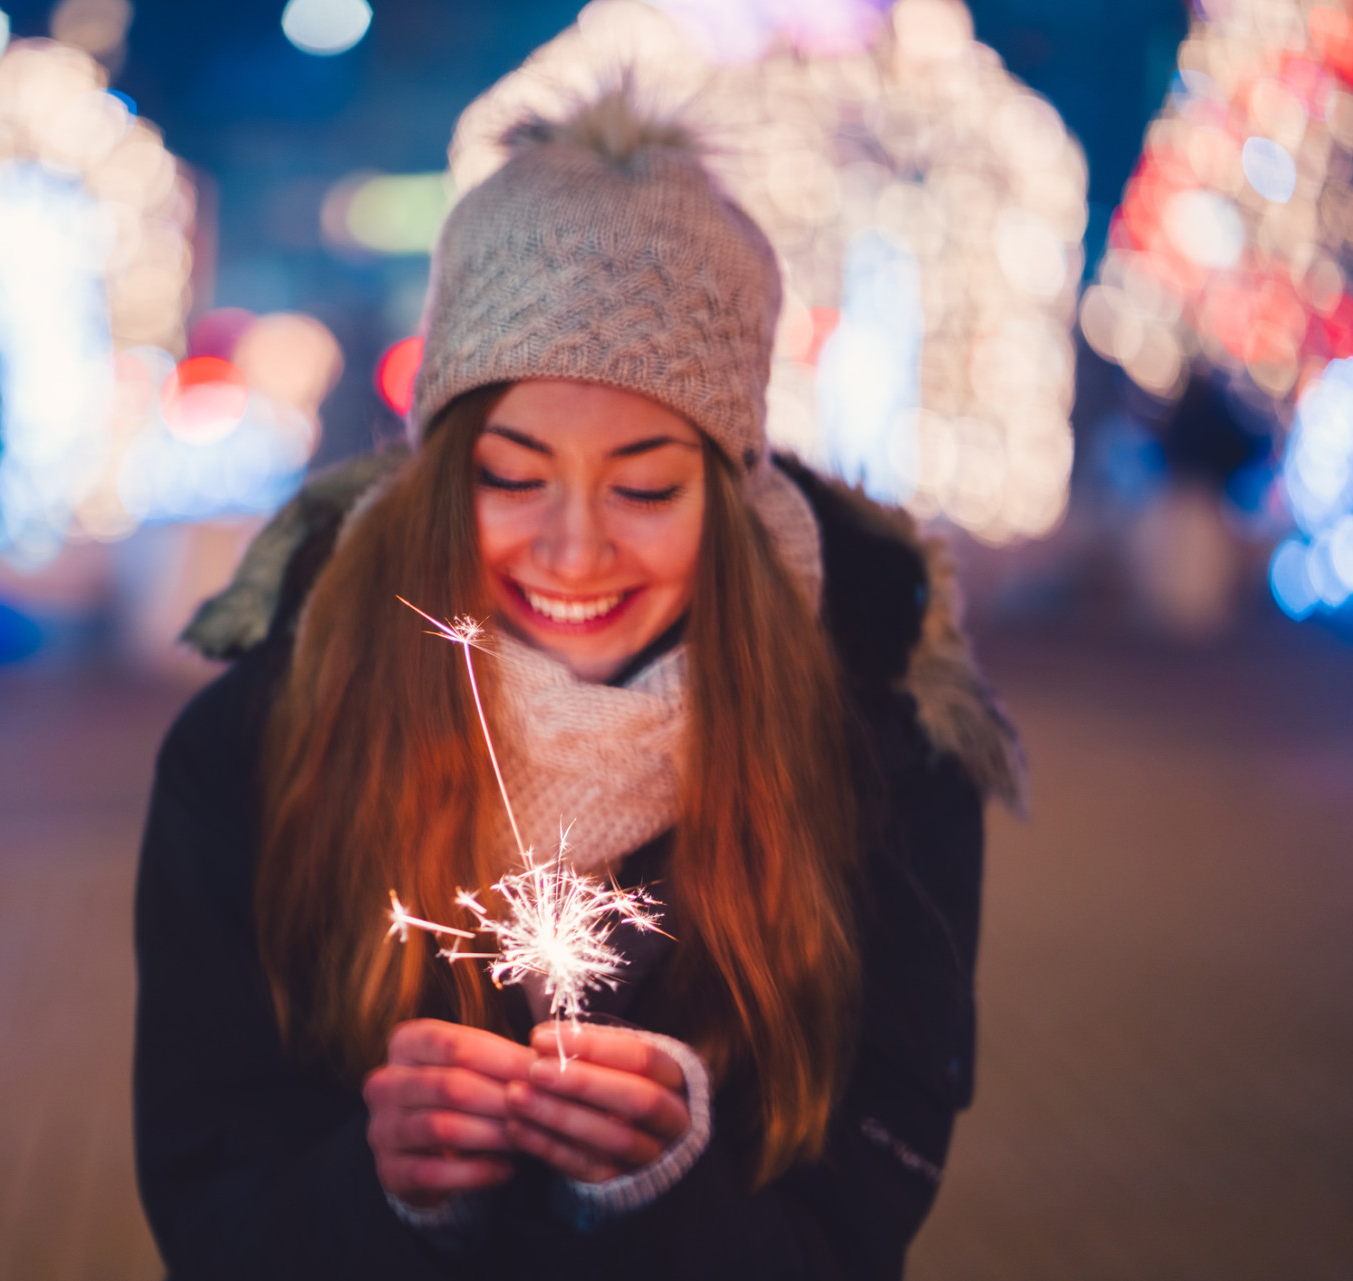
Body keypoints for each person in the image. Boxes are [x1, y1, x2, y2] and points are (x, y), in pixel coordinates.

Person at [133, 87, 1021, 1280]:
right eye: (514, 476)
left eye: (647, 487)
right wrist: (381, 1192)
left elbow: (854, 1227)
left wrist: (669, 1194)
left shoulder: (879, 761)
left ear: (733, 494)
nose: (574, 551)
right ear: (445, 475)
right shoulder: (257, 750)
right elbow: (213, 1206)